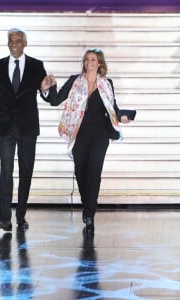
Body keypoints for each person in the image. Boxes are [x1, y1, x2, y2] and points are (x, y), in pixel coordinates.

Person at [43, 48, 135, 232]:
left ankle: (90, 213)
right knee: (80, 171)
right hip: (80, 133)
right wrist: (47, 89)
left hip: (100, 134)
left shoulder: (107, 83)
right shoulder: (74, 81)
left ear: (100, 63)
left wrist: (123, 117)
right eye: (87, 60)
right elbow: (55, 100)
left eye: (93, 60)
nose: (89, 63)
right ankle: (88, 205)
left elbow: (112, 108)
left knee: (94, 171)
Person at [0, 28, 52, 231]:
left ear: (25, 43)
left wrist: (46, 88)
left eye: (17, 41)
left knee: (26, 171)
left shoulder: (36, 66)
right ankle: (4, 217)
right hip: (5, 126)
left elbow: (47, 95)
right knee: (6, 170)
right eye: (10, 41)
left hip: (28, 127)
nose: (14, 44)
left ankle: (21, 215)